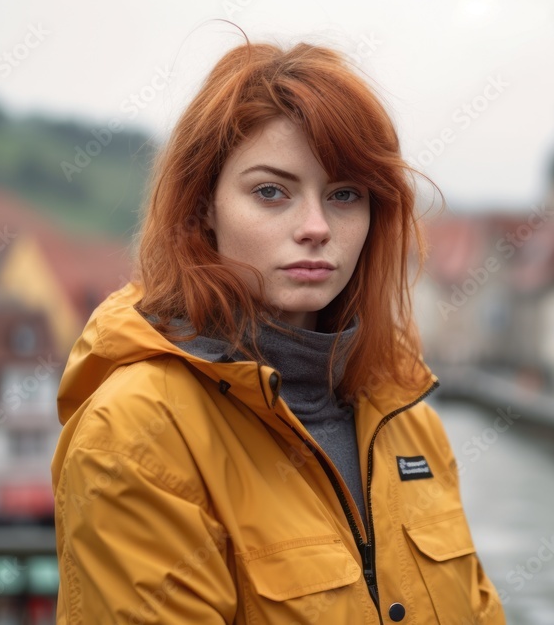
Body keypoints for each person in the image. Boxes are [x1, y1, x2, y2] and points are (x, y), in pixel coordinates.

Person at [51, 33, 506, 624]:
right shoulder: (137, 432)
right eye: (271, 192)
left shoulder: (406, 421)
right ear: (203, 207)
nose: (316, 226)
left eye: (345, 195)